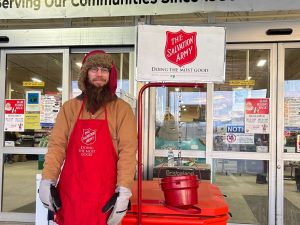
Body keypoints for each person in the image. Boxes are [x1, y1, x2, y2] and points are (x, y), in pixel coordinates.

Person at [39, 50, 137, 225]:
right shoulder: (69, 108)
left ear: (110, 75)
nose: (99, 74)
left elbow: (128, 153)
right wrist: (48, 179)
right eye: (94, 69)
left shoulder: (122, 110)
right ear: (85, 74)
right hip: (71, 194)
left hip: (105, 197)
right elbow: (57, 147)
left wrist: (124, 190)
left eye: (104, 70)